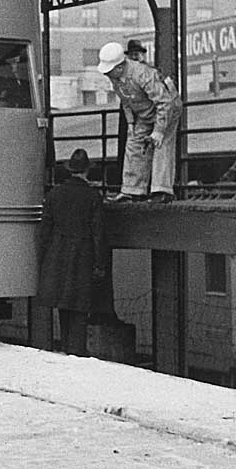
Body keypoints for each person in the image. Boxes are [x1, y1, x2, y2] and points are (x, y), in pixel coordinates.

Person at [37, 149, 112, 355]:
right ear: (87, 171)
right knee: (79, 305)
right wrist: (100, 264)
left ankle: (65, 347)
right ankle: (76, 351)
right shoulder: (93, 196)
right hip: (82, 255)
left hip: (57, 254)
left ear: (70, 170)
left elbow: (44, 232)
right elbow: (98, 233)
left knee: (63, 304)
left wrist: (43, 259)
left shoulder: (54, 195)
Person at [98, 41, 181, 202]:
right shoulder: (116, 78)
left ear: (119, 67)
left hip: (167, 108)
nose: (106, 75)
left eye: (108, 71)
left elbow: (165, 103)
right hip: (145, 112)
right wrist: (130, 123)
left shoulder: (143, 74)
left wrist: (159, 131)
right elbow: (126, 101)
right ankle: (132, 190)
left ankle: (162, 191)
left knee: (161, 144)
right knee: (133, 144)